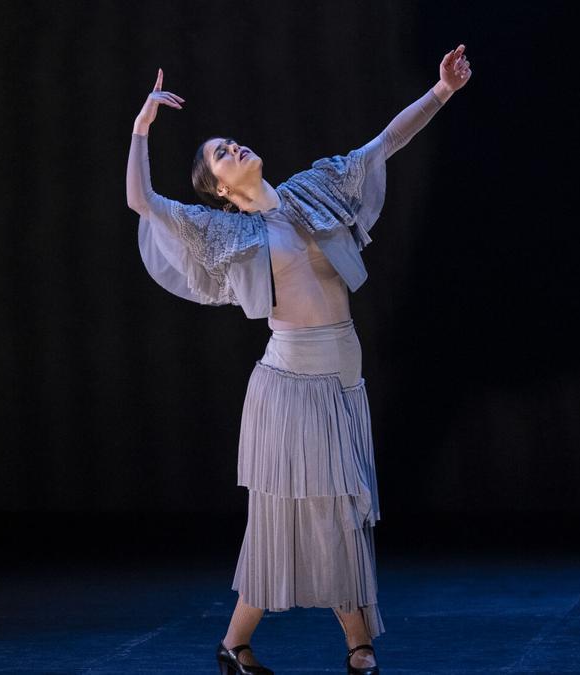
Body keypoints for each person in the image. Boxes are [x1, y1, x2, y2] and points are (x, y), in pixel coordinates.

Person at [126, 46, 472, 675]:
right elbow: (143, 201)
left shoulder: (314, 189)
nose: (233, 149)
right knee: (322, 511)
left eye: (231, 142)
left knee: (324, 511)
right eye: (220, 155)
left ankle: (235, 646)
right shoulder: (225, 230)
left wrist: (442, 91)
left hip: (343, 377)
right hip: (290, 384)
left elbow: (385, 142)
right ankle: (358, 645)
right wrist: (141, 129)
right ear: (221, 190)